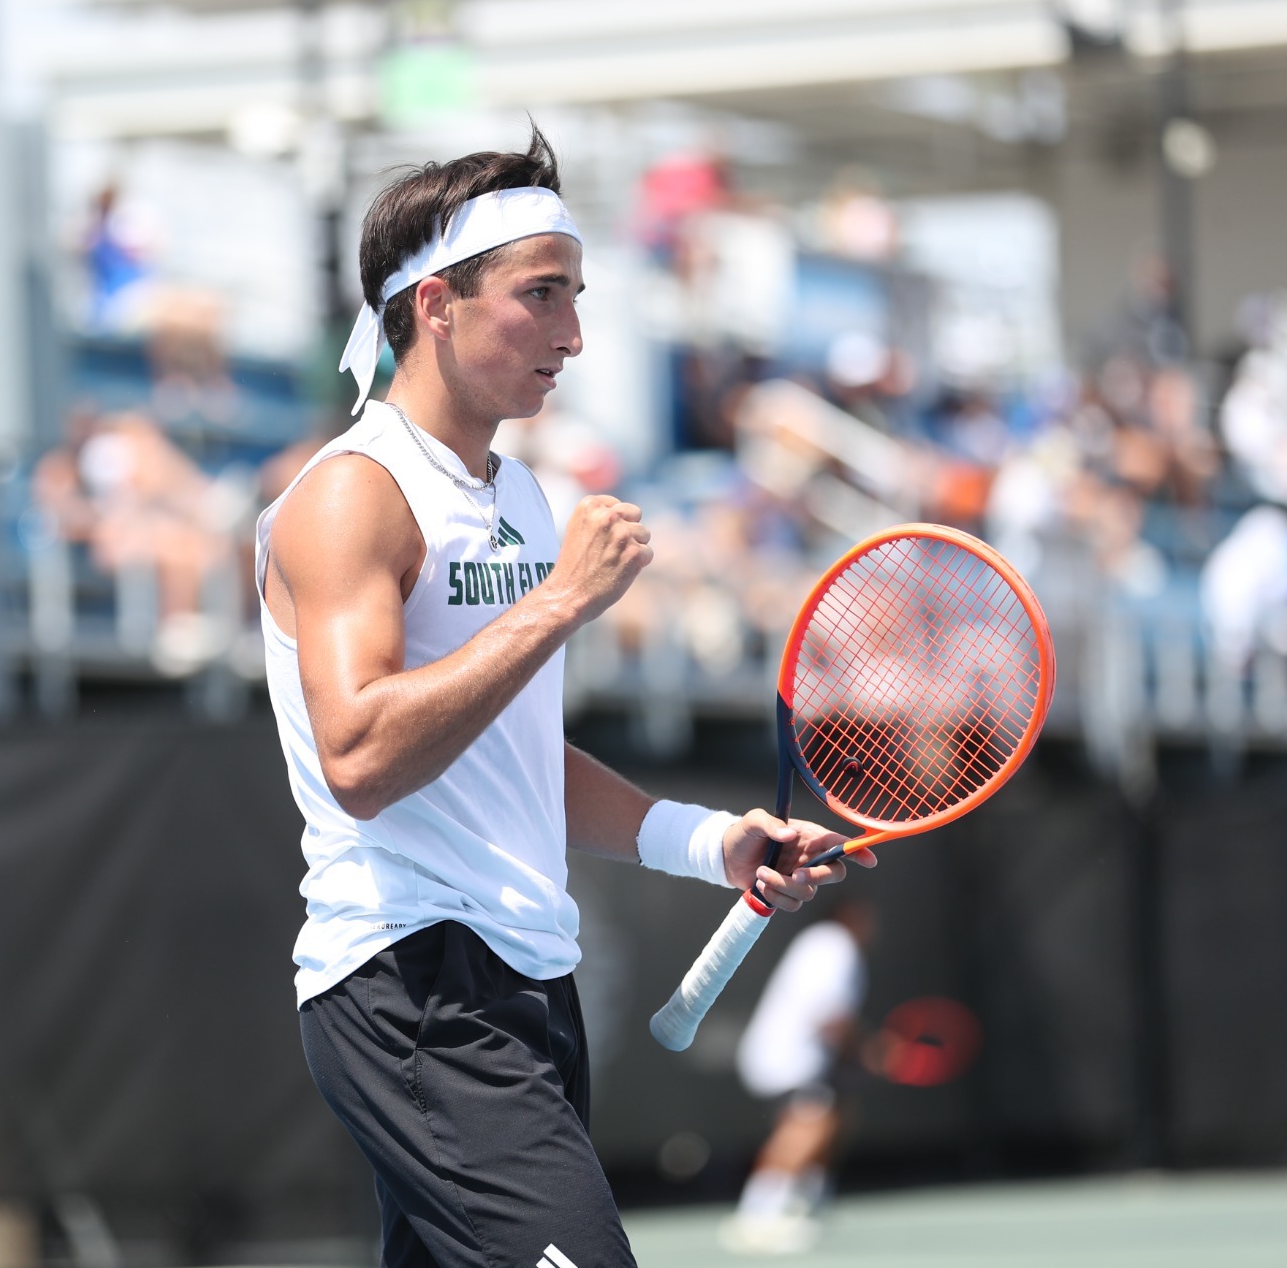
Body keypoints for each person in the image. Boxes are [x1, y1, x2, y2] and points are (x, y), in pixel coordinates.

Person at [255, 125, 875, 1268]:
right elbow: (358, 757)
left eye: (575, 296)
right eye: (539, 296)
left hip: (526, 986)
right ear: (434, 304)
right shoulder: (350, 495)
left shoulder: (523, 503)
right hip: (414, 989)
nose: (573, 335)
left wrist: (711, 841)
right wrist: (557, 607)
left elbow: (517, 757)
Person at [724, 898, 877, 1253]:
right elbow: (828, 1016)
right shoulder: (835, 945)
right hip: (787, 1057)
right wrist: (867, 1050)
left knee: (834, 1118)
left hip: (786, 1055)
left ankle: (804, 1203)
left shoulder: (822, 943)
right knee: (810, 1125)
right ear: (849, 915)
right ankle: (757, 1215)